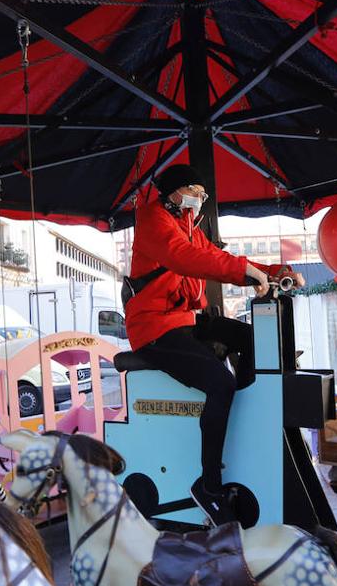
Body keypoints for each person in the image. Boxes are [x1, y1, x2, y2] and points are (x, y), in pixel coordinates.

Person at [125, 165, 304, 524]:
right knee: (220, 383)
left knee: (247, 337)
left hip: (184, 321)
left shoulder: (187, 225)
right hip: (154, 329)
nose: (199, 198)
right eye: (195, 191)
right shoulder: (153, 221)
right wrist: (243, 273)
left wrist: (272, 271)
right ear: (174, 192)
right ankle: (208, 485)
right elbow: (188, 258)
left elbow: (216, 256)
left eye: (202, 194)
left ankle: (249, 418)